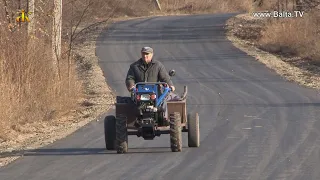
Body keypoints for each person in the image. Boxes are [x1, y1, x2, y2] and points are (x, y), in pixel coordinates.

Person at [125, 46, 181, 120]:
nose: (145, 56)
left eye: (147, 54)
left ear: (152, 54)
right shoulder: (134, 66)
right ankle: (133, 119)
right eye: (143, 54)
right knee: (131, 104)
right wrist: (131, 86)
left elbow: (164, 77)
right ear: (141, 54)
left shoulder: (158, 65)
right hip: (139, 92)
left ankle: (164, 118)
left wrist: (170, 85)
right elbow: (130, 78)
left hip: (155, 93)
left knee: (164, 100)